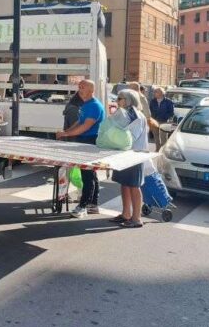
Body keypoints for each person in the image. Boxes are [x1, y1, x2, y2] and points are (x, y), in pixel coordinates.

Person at [55, 79, 105, 218]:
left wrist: (66, 133)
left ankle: (83, 206)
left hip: (90, 140)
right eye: (79, 86)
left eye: (83, 87)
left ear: (91, 90)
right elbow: (79, 121)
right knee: (91, 174)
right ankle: (93, 205)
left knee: (87, 175)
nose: (79, 89)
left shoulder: (95, 106)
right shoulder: (86, 104)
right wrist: (66, 131)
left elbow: (85, 127)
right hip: (84, 141)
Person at [109, 89, 149, 228]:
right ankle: (126, 214)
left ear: (128, 100)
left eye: (120, 98)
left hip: (134, 155)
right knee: (124, 184)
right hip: (124, 154)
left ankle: (136, 218)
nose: (117, 101)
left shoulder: (135, 115)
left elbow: (130, 137)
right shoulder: (125, 114)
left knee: (133, 186)